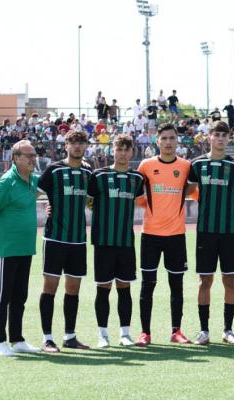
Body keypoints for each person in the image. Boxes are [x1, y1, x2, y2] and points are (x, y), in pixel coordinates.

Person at [134, 124, 195, 346]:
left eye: (172, 138)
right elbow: (136, 194)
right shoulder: (146, 165)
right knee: (147, 284)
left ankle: (176, 331)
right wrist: (148, 205)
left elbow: (195, 192)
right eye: (164, 138)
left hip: (177, 235)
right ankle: (144, 333)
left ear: (177, 141)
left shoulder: (186, 166)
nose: (168, 142)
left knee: (176, 285)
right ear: (157, 141)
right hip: (150, 234)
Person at [186, 121, 234, 345]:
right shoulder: (197, 164)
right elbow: (188, 191)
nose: (220, 138)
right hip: (206, 232)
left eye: (224, 135)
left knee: (230, 282)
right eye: (216, 134)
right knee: (205, 281)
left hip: (230, 231)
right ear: (209, 137)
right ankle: (204, 330)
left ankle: (228, 330)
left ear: (228, 139)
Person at [0, 140, 40, 356]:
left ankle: (17, 339)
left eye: (34, 154)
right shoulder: (6, 182)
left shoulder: (33, 181)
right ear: (15, 158)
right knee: (2, 296)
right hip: (6, 248)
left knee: (20, 296)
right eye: (28, 155)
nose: (33, 158)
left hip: (25, 248)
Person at [37, 130, 93, 352]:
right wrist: (45, 205)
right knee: (50, 287)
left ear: (86, 145)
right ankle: (47, 338)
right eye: (73, 142)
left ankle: (70, 336)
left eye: (81, 142)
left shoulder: (88, 171)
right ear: (66, 145)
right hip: (54, 238)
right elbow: (35, 194)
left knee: (73, 288)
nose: (77, 146)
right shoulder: (54, 169)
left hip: (78, 239)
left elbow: (90, 201)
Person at [87, 134, 145, 348]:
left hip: (125, 241)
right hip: (103, 241)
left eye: (126, 149)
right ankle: (102, 335)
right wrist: (103, 212)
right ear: (113, 150)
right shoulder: (98, 175)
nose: (122, 153)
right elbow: (88, 201)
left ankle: (125, 334)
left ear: (131, 152)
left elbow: (140, 201)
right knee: (103, 287)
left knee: (124, 287)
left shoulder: (137, 179)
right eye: (118, 149)